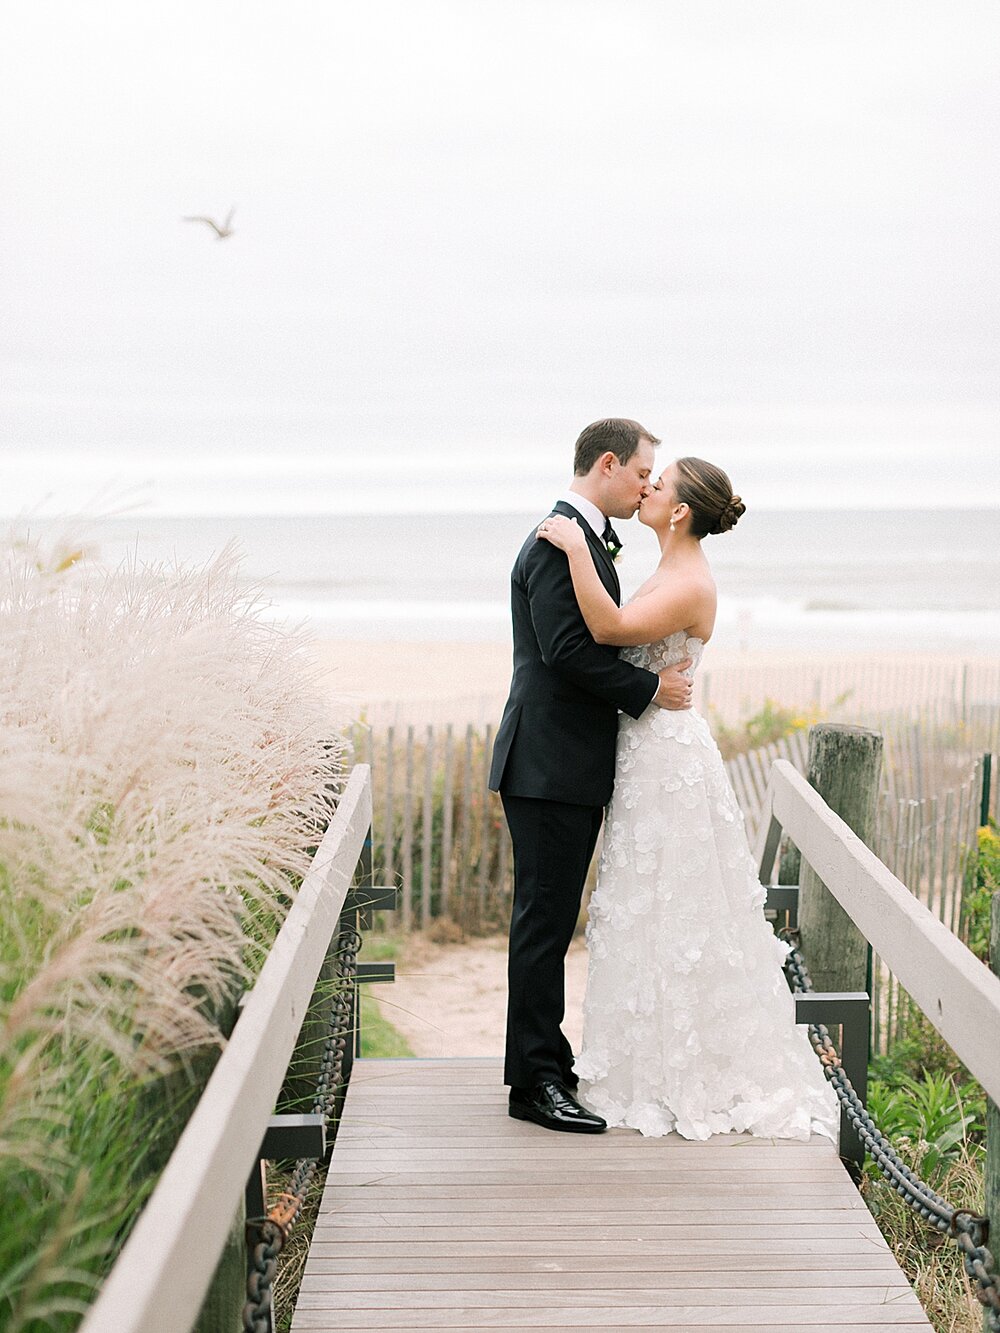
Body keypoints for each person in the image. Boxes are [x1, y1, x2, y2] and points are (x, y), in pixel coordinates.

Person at [536, 456, 839, 1141]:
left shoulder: (690, 579)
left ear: (678, 511)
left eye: (659, 483)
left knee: (678, 905)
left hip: (668, 759)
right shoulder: (672, 568)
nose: (647, 488)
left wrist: (576, 545)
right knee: (645, 903)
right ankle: (641, 1061)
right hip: (647, 749)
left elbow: (610, 629)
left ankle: (687, 1071)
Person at [488, 419, 694, 1134]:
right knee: (543, 926)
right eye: (642, 472)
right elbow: (567, 650)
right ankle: (536, 1084)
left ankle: (544, 1062)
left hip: (562, 765)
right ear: (607, 463)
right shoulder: (556, 538)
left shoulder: (580, 534)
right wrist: (648, 691)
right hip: (546, 765)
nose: (645, 485)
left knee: (549, 921)